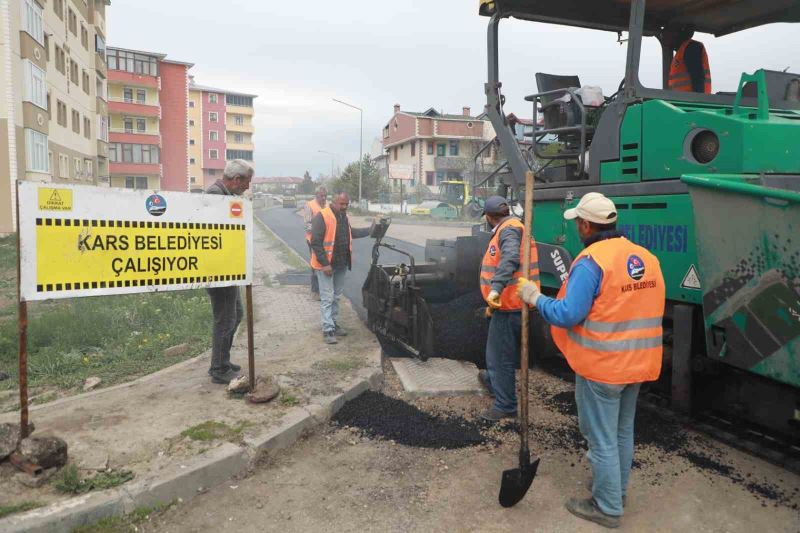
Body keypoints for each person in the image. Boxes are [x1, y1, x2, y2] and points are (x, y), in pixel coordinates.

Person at [516, 192, 665, 529]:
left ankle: (608, 507)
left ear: (586, 225)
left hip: (603, 367)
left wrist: (535, 296)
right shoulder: (645, 257)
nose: (576, 229)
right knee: (622, 431)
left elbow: (568, 313)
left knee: (600, 437)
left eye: (577, 223)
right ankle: (616, 491)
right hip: (638, 364)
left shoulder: (591, 262)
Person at [477, 196, 539, 422]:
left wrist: (495, 290)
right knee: (500, 353)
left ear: (488, 217)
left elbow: (510, 259)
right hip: (512, 303)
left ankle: (505, 405)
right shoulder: (513, 226)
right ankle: (495, 381)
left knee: (499, 356)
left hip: (510, 304)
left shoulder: (509, 231)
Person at [205, 159, 254, 384]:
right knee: (225, 319)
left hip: (227, 268)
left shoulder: (225, 195)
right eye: (246, 183)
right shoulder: (215, 196)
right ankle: (219, 369)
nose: (247, 187)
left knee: (236, 315)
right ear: (236, 179)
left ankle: (223, 361)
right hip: (218, 270)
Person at [309, 191, 372, 344]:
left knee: (336, 296)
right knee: (327, 297)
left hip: (341, 263)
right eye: (341, 204)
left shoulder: (344, 216)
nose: (344, 207)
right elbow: (315, 242)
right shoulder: (322, 216)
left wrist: (370, 230)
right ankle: (327, 329)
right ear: (334, 202)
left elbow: (351, 233)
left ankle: (334, 323)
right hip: (326, 266)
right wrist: (325, 264)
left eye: (346, 204)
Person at [661, 29, 711, 93]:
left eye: (668, 33)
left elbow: (697, 77)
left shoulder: (691, 47)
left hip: (691, 100)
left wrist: (698, 99)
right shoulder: (680, 53)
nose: (665, 38)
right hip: (681, 99)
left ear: (677, 33)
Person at [303, 186, 327, 300]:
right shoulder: (309, 205)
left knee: (325, 264)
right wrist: (320, 229)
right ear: (316, 195)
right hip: (313, 240)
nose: (324, 198)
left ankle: (324, 289)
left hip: (325, 240)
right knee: (315, 265)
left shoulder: (326, 205)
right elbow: (307, 225)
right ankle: (315, 292)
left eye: (325, 196)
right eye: (321, 196)